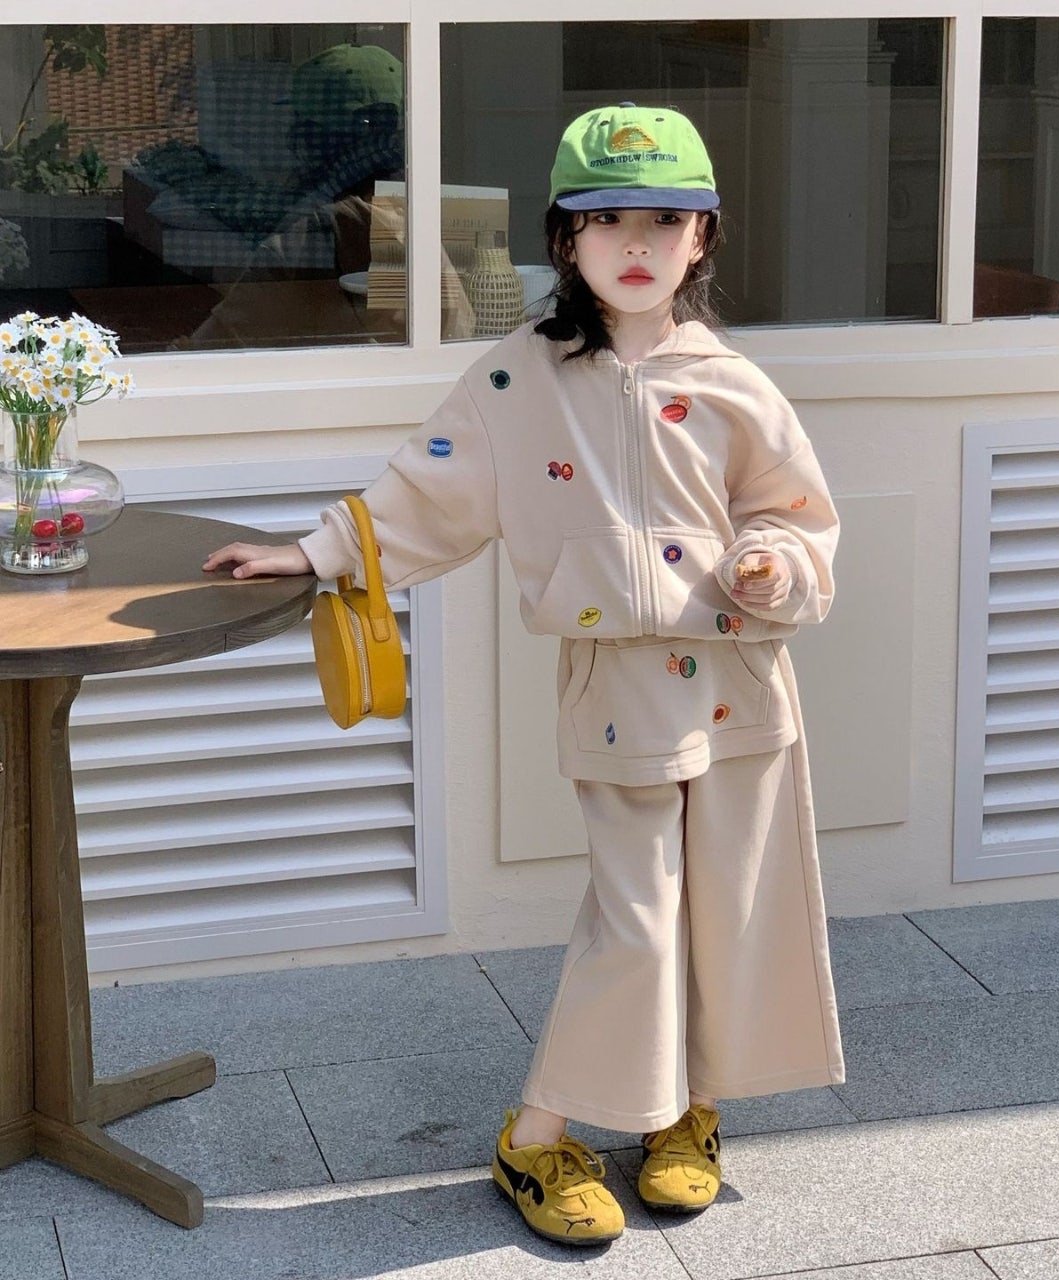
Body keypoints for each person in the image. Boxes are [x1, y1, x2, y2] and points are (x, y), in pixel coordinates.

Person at [204, 102, 845, 1248]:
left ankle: (684, 1113)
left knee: (729, 907)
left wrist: (772, 562)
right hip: (618, 691)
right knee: (637, 919)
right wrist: (318, 551)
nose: (636, 243)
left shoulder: (737, 384)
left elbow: (796, 517)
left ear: (702, 235)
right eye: (606, 220)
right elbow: (426, 489)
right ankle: (535, 1133)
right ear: (564, 238)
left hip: (741, 684)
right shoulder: (519, 378)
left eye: (663, 219)